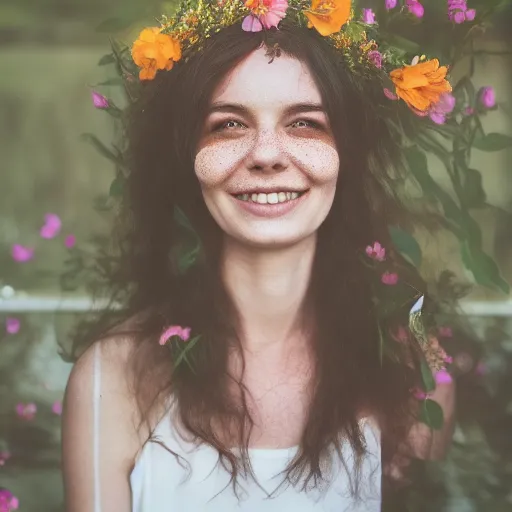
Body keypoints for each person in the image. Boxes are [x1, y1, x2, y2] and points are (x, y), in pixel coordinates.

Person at [61, 1, 456, 510]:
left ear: (348, 156)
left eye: (305, 124)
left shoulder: (412, 375)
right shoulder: (110, 379)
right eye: (228, 125)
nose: (267, 154)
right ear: (187, 157)